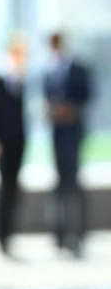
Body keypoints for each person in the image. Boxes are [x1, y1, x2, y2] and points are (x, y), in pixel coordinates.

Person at [44, 32, 91, 257]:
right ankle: (60, 235)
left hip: (73, 133)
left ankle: (79, 234)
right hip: (57, 133)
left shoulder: (78, 69)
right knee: (60, 184)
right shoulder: (48, 72)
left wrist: (71, 109)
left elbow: (87, 95)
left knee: (74, 183)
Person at [0, 33, 29, 255]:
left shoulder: (21, 81)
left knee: (13, 189)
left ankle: (8, 234)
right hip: (3, 143)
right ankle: (1, 234)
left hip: (18, 142)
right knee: (4, 189)